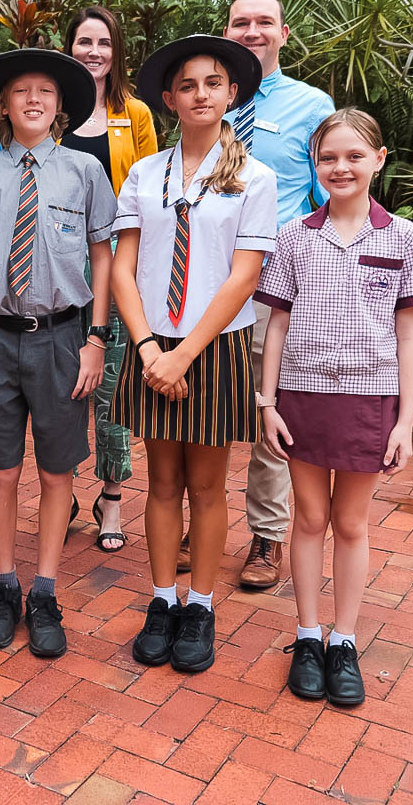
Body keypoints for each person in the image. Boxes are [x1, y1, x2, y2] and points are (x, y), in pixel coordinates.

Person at [256, 109, 413, 706]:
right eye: (328, 157)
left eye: (354, 156)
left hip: (370, 401)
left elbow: (409, 335)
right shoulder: (294, 237)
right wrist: (268, 401)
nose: (341, 167)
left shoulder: (407, 238)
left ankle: (344, 641)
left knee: (352, 523)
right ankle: (307, 636)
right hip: (302, 398)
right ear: (315, 165)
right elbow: (277, 324)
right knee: (307, 519)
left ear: (379, 161)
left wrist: (405, 421)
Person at [109, 36, 277, 673]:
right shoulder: (146, 173)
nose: (201, 94)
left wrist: (185, 355)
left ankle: (200, 604)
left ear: (232, 93)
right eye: (187, 85)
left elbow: (243, 276)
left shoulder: (254, 178)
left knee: (206, 487)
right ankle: (161, 599)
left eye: (213, 83)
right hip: (153, 344)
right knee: (160, 482)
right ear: (169, 98)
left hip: (214, 346)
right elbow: (124, 268)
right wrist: (151, 346)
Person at [0, 49, 115, 659]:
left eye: (44, 91)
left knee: (56, 470)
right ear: (3, 105)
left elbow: (102, 256)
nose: (32, 99)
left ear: (60, 106)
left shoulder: (84, 171)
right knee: (1, 468)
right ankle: (5, 585)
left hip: (61, 337)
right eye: (20, 91)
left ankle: (45, 589)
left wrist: (96, 339)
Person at [211, 0, 336, 589]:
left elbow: (328, 198)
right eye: (241, 23)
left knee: (271, 411)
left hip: (276, 287)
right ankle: (200, 521)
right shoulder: (206, 99)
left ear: (284, 34)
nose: (252, 32)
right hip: (206, 283)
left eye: (264, 23)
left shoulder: (314, 106)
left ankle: (265, 536)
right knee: (205, 403)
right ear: (226, 32)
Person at [62, 6, 158, 553]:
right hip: (54, 268)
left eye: (103, 42)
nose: (93, 51)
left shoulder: (135, 113)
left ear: (116, 51)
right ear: (68, 47)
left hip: (118, 265)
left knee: (113, 385)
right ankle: (65, 487)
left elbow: (148, 193)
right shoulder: (53, 111)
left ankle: (112, 498)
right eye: (83, 41)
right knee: (60, 384)